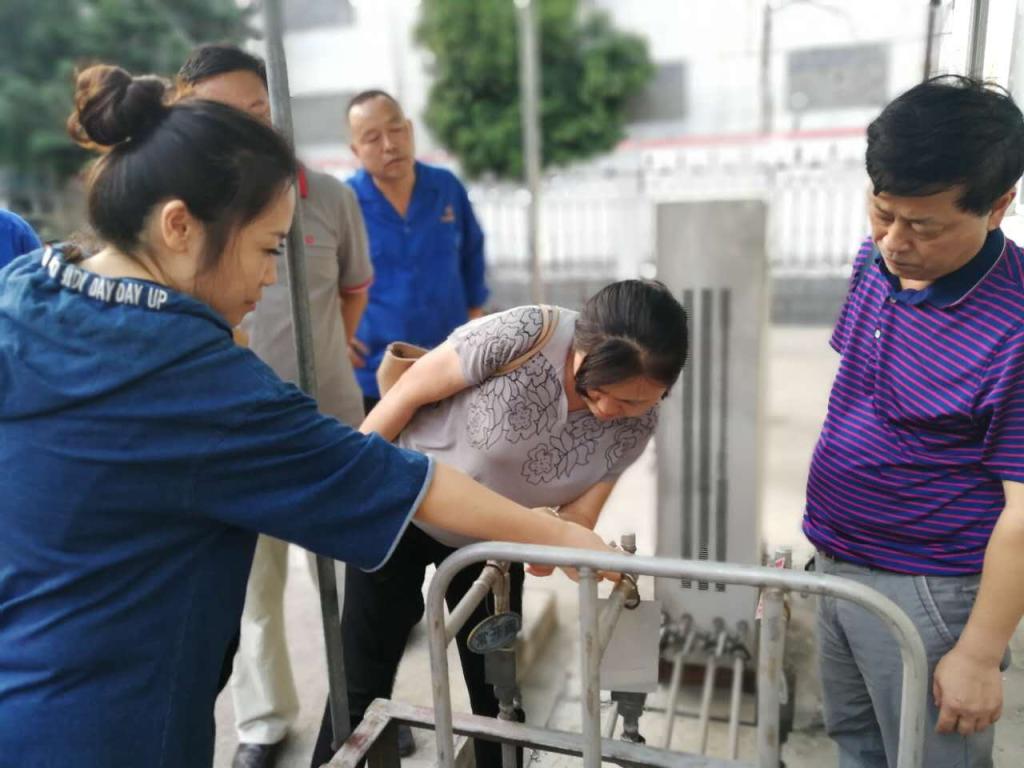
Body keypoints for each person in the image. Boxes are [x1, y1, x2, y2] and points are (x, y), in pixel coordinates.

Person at [0, 63, 615, 768]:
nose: (271, 276)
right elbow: (400, 482)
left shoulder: (23, 288)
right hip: (115, 730)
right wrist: (558, 535)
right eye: (266, 249)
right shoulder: (198, 382)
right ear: (178, 226)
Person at [311, 281, 689, 767]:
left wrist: (565, 551)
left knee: (498, 696)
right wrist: (344, 481)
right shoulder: (526, 333)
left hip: (497, 539)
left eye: (638, 401)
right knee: (360, 681)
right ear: (584, 344)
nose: (615, 410)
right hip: (404, 508)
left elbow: (576, 517)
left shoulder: (639, 424)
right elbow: (407, 392)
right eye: (604, 388)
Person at [803, 75, 1024, 768]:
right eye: (882, 211)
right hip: (835, 563)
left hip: (929, 592)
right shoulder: (876, 263)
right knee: (857, 750)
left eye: (923, 225)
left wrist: (979, 654)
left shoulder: (1016, 326)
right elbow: (861, 398)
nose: (894, 242)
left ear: (998, 205)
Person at [176, 43, 375, 768]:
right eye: (222, 113)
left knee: (359, 578)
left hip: (329, 420)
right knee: (253, 589)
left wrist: (331, 346)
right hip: (234, 434)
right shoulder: (183, 210)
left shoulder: (330, 197)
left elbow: (354, 288)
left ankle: (368, 703)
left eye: (258, 111)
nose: (246, 127)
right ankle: (264, 723)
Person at [345, 89, 488, 413]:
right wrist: (336, 335)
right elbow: (322, 276)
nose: (389, 145)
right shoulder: (346, 202)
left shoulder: (445, 187)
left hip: (449, 363)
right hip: (376, 371)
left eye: (396, 129)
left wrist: (474, 318)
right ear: (356, 150)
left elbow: (473, 252)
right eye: (372, 138)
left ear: (409, 130)